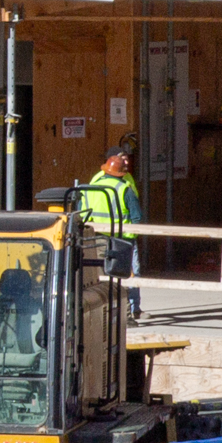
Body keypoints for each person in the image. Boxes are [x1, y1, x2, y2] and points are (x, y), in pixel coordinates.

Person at [81, 136, 144, 320]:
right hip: (123, 240)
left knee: (103, 277)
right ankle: (127, 315)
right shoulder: (124, 187)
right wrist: (133, 234)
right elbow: (137, 216)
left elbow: (83, 214)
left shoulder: (91, 186)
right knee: (125, 276)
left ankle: (107, 314)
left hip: (99, 238)